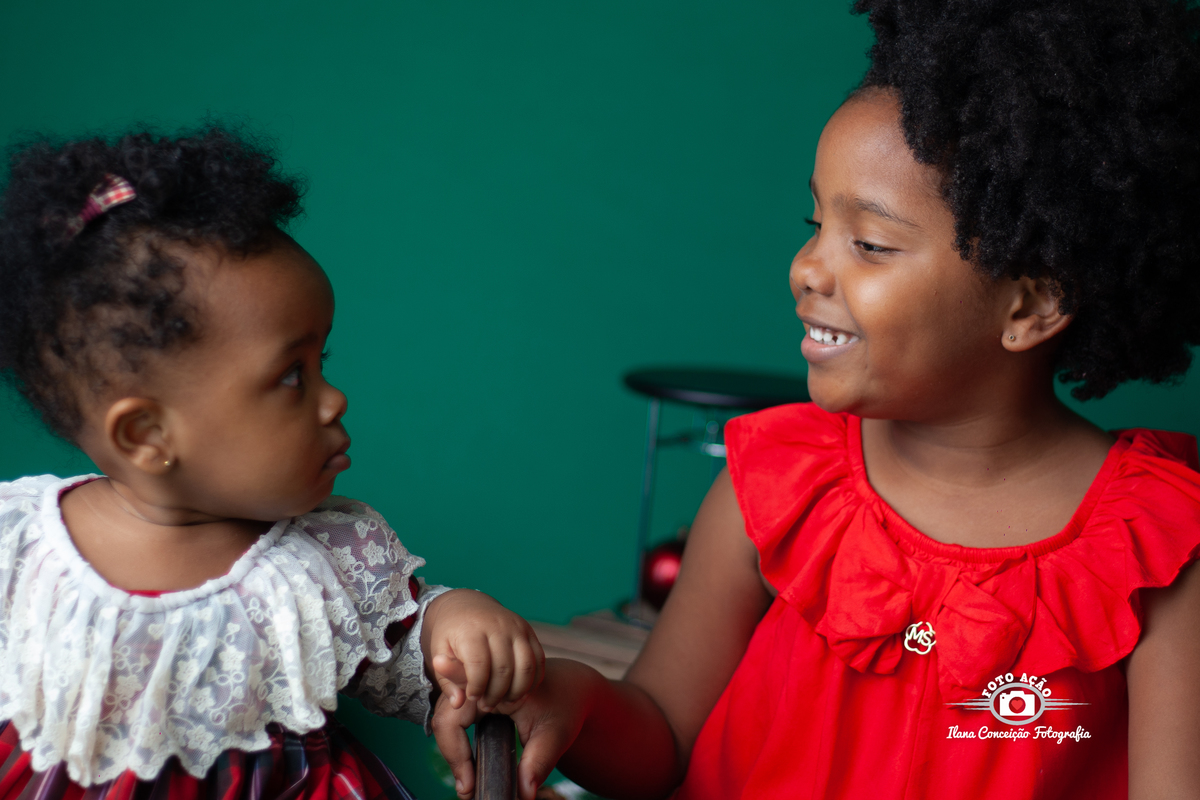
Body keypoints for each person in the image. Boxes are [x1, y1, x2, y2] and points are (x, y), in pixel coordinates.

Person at [432, 0, 1200, 797]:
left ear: (1032, 305)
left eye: (870, 244)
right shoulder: (778, 484)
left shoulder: (1159, 549)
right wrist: (570, 702)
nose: (806, 267)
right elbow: (662, 733)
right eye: (815, 222)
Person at [0, 128, 544, 800]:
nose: (335, 399)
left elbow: (402, 647)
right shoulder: (18, 547)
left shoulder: (322, 560)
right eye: (292, 376)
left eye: (323, 363)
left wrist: (452, 618)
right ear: (147, 434)